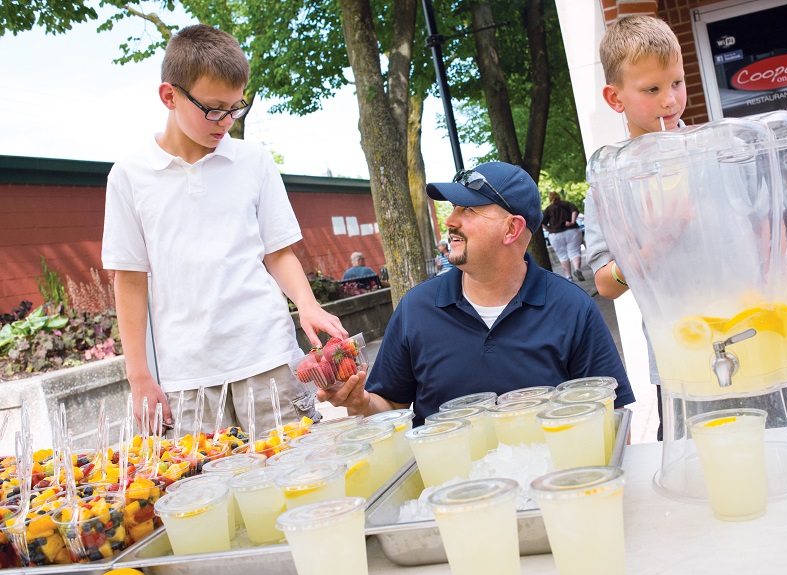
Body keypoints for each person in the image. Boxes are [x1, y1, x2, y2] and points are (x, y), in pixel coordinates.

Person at [583, 15, 787, 440]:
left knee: (785, 454)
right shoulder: (612, 179)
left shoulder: (723, 151)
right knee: (701, 475)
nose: (669, 100)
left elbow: (773, 241)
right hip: (685, 360)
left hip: (759, 339)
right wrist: (656, 241)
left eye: (676, 82)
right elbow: (606, 283)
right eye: (651, 89)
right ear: (614, 98)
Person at [102, 25, 346, 432]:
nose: (227, 121)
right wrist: (138, 374)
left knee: (301, 479)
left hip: (268, 356)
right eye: (215, 109)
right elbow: (129, 279)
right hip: (187, 379)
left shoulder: (254, 160)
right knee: (204, 492)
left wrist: (308, 304)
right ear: (170, 96)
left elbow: (278, 251)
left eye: (237, 108)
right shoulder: (129, 176)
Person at [319, 161, 636, 425]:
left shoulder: (572, 308)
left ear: (511, 229)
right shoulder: (416, 308)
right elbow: (390, 406)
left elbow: (614, 417)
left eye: (468, 209)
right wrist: (361, 402)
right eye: (454, 208)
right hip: (445, 492)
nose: (451, 221)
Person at [542, 191, 584, 281]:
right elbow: (574, 210)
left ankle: (568, 276)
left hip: (556, 234)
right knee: (575, 252)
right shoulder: (566, 204)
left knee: (562, 255)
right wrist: (572, 222)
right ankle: (577, 269)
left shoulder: (548, 209)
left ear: (550, 199)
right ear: (559, 197)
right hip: (572, 231)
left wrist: (549, 229)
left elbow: (542, 222)